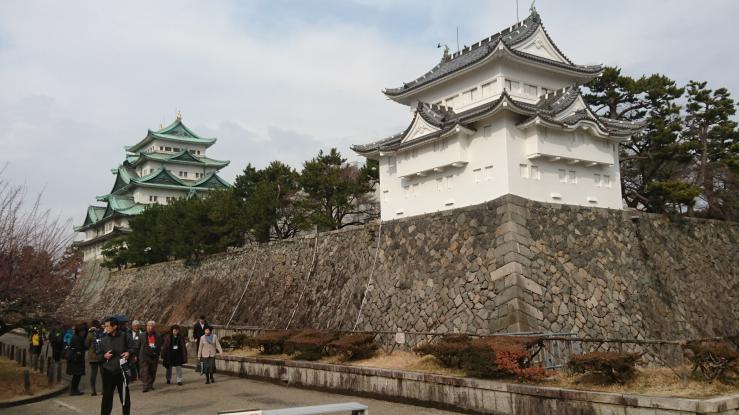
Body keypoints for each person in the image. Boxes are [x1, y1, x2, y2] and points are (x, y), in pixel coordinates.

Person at [99, 316, 134, 415]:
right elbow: (98, 354)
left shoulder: (125, 336)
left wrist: (128, 353)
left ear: (115, 326)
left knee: (124, 397)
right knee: (107, 398)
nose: (105, 328)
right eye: (105, 326)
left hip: (121, 372)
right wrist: (104, 355)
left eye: (107, 326)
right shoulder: (103, 339)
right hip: (108, 372)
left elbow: (133, 348)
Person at [138, 320, 162, 393]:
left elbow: (160, 345)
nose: (150, 328)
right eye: (148, 326)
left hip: (154, 356)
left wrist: (158, 353)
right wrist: (136, 355)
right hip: (144, 356)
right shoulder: (142, 335)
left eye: (152, 326)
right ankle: (145, 386)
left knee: (152, 371)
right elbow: (138, 346)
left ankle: (150, 384)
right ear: (146, 327)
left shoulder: (158, 336)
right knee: (145, 371)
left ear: (154, 328)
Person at [66, 325, 87, 396]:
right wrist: (79, 353)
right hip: (76, 360)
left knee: (77, 375)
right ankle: (74, 390)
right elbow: (79, 348)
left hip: (76, 359)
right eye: (83, 331)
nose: (84, 333)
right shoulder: (77, 338)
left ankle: (75, 389)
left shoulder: (77, 337)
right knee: (76, 375)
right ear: (80, 331)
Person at [85, 320, 104, 396]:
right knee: (103, 374)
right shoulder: (101, 332)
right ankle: (104, 390)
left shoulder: (90, 334)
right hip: (101, 355)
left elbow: (86, 345)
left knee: (93, 374)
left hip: (93, 356)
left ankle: (93, 390)